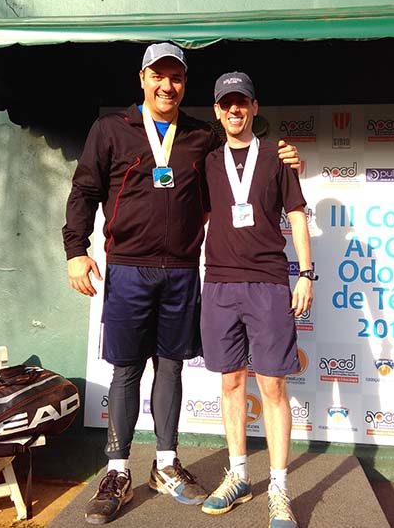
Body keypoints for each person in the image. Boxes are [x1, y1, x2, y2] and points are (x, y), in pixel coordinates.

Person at [62, 44, 301, 524]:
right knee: (126, 370)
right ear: (143, 79)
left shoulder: (199, 135)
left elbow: (245, 149)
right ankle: (117, 471)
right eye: (158, 76)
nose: (167, 86)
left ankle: (166, 464)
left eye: (176, 78)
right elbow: (85, 189)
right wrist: (75, 250)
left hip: (182, 270)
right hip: (128, 266)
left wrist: (286, 154)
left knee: (171, 368)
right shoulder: (111, 129)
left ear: (185, 84)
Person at [200, 72, 317, 528]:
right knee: (231, 382)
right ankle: (239, 476)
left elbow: (297, 215)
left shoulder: (277, 157)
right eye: (227, 103)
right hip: (220, 284)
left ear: (254, 107)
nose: (235, 109)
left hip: (268, 283)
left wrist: (305, 274)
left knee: (272, 387)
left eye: (242, 102)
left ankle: (279, 489)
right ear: (217, 111)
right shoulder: (206, 161)